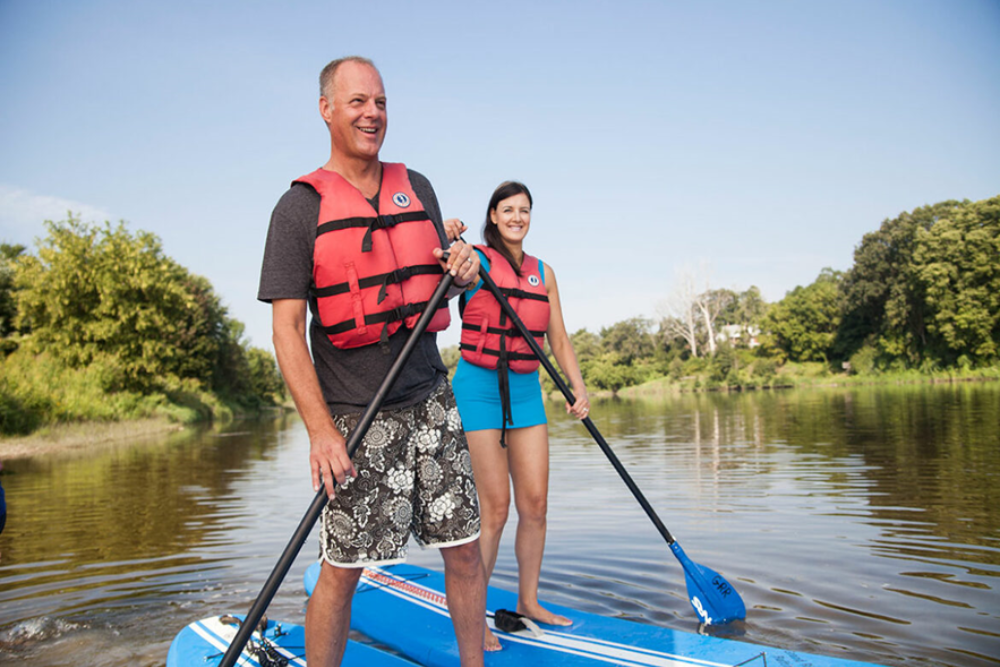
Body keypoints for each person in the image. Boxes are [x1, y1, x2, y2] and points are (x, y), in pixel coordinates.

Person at [257, 56, 486, 667]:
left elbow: (441, 279)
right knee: (344, 568)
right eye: (358, 102)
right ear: (327, 109)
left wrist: (463, 269)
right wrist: (319, 432)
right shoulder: (298, 209)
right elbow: (286, 331)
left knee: (465, 548)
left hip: (432, 399)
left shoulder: (420, 187)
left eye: (380, 102)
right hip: (356, 416)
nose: (373, 114)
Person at [451, 181, 590, 650]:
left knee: (535, 506)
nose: (516, 217)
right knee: (494, 510)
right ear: (492, 216)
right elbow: (442, 267)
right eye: (507, 210)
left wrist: (577, 385)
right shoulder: (475, 260)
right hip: (478, 390)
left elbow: (560, 339)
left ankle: (528, 600)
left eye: (524, 210)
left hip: (528, 392)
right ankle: (476, 616)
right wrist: (447, 235)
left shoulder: (544, 272)